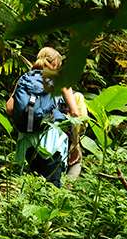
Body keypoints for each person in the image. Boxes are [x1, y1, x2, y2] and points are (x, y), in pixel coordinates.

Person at [5, 47, 80, 187]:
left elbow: (9, 108)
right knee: (51, 188)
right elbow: (75, 114)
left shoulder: (25, 79)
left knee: (28, 187)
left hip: (27, 142)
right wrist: (75, 144)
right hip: (52, 142)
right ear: (56, 64)